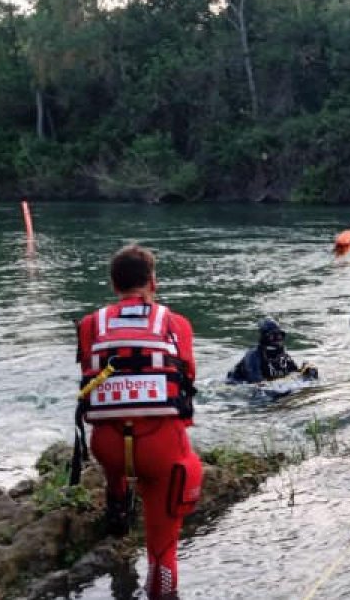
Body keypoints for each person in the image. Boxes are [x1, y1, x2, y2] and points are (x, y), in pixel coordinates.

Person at [74, 244, 202, 599]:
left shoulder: (90, 324)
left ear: (114, 286)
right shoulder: (177, 324)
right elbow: (187, 373)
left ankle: (118, 502)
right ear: (153, 282)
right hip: (161, 447)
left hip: (108, 447)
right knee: (162, 551)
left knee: (115, 429)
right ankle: (162, 591)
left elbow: (90, 370)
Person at [226, 317, 319, 383]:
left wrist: (305, 372)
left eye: (280, 335)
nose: (277, 339)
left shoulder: (283, 356)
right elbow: (256, 384)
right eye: (273, 336)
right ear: (264, 338)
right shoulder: (253, 355)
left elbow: (294, 373)